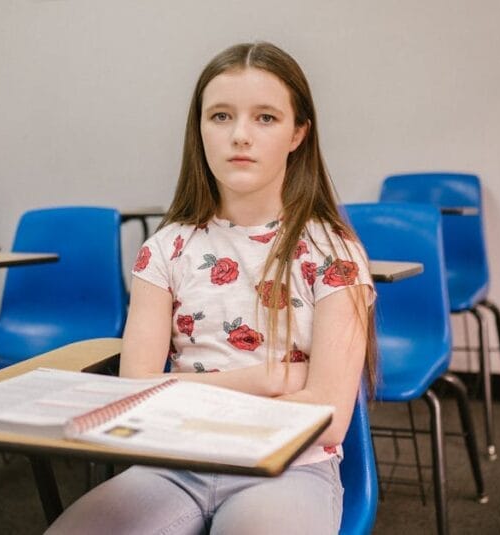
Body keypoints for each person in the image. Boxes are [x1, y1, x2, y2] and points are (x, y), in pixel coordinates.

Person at [46, 41, 377, 535]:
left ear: (298, 133)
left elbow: (328, 419)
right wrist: (272, 380)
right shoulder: (164, 251)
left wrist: (176, 389)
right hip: (172, 464)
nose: (240, 135)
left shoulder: (334, 254)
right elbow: (135, 395)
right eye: (220, 116)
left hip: (288, 467)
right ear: (199, 129)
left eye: (265, 118)